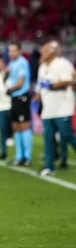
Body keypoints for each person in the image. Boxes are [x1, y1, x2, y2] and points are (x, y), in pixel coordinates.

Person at [36, 41, 76, 176]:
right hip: (48, 108)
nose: (43, 54)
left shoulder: (63, 64)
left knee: (67, 135)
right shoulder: (42, 67)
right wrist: (40, 99)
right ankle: (49, 166)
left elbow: (68, 81)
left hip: (62, 107)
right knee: (48, 138)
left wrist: (50, 86)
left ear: (53, 53)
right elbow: (40, 85)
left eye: (45, 51)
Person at [6, 42, 33, 166]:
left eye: (13, 51)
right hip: (15, 97)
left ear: (20, 51)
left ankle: (27, 157)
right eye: (10, 51)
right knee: (16, 126)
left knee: (24, 125)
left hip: (21, 96)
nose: (11, 53)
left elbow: (20, 82)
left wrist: (10, 89)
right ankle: (19, 156)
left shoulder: (22, 62)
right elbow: (7, 79)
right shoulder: (11, 64)